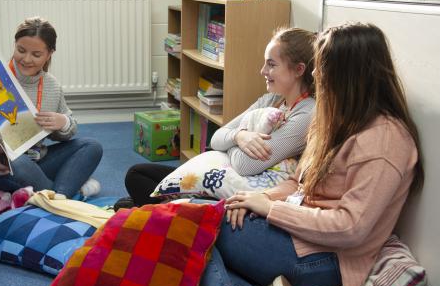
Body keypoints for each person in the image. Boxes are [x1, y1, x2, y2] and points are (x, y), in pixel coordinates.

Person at [201, 22, 424, 286]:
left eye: (323, 68)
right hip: (297, 233)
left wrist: (272, 209)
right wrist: (261, 198)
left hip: (326, 258)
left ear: (348, 75)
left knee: (196, 221)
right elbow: (299, 182)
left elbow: (351, 227)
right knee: (201, 211)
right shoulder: (334, 119)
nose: (316, 75)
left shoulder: (386, 140)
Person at [115, 28, 317, 210]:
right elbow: (216, 138)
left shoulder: (306, 115)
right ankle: (154, 208)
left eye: (271, 65)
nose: (263, 71)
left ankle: (153, 210)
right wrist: (240, 136)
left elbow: (244, 165)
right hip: (224, 175)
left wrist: (230, 143)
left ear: (299, 70)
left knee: (133, 198)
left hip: (243, 192)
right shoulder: (272, 99)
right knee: (137, 174)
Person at [0, 16, 103, 199]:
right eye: (21, 50)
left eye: (36, 54)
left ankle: (54, 196)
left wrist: (63, 122)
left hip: (37, 160)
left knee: (92, 146)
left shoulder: (51, 85)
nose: (26, 59)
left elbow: (67, 132)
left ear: (49, 54)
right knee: (17, 162)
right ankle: (63, 195)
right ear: (14, 45)